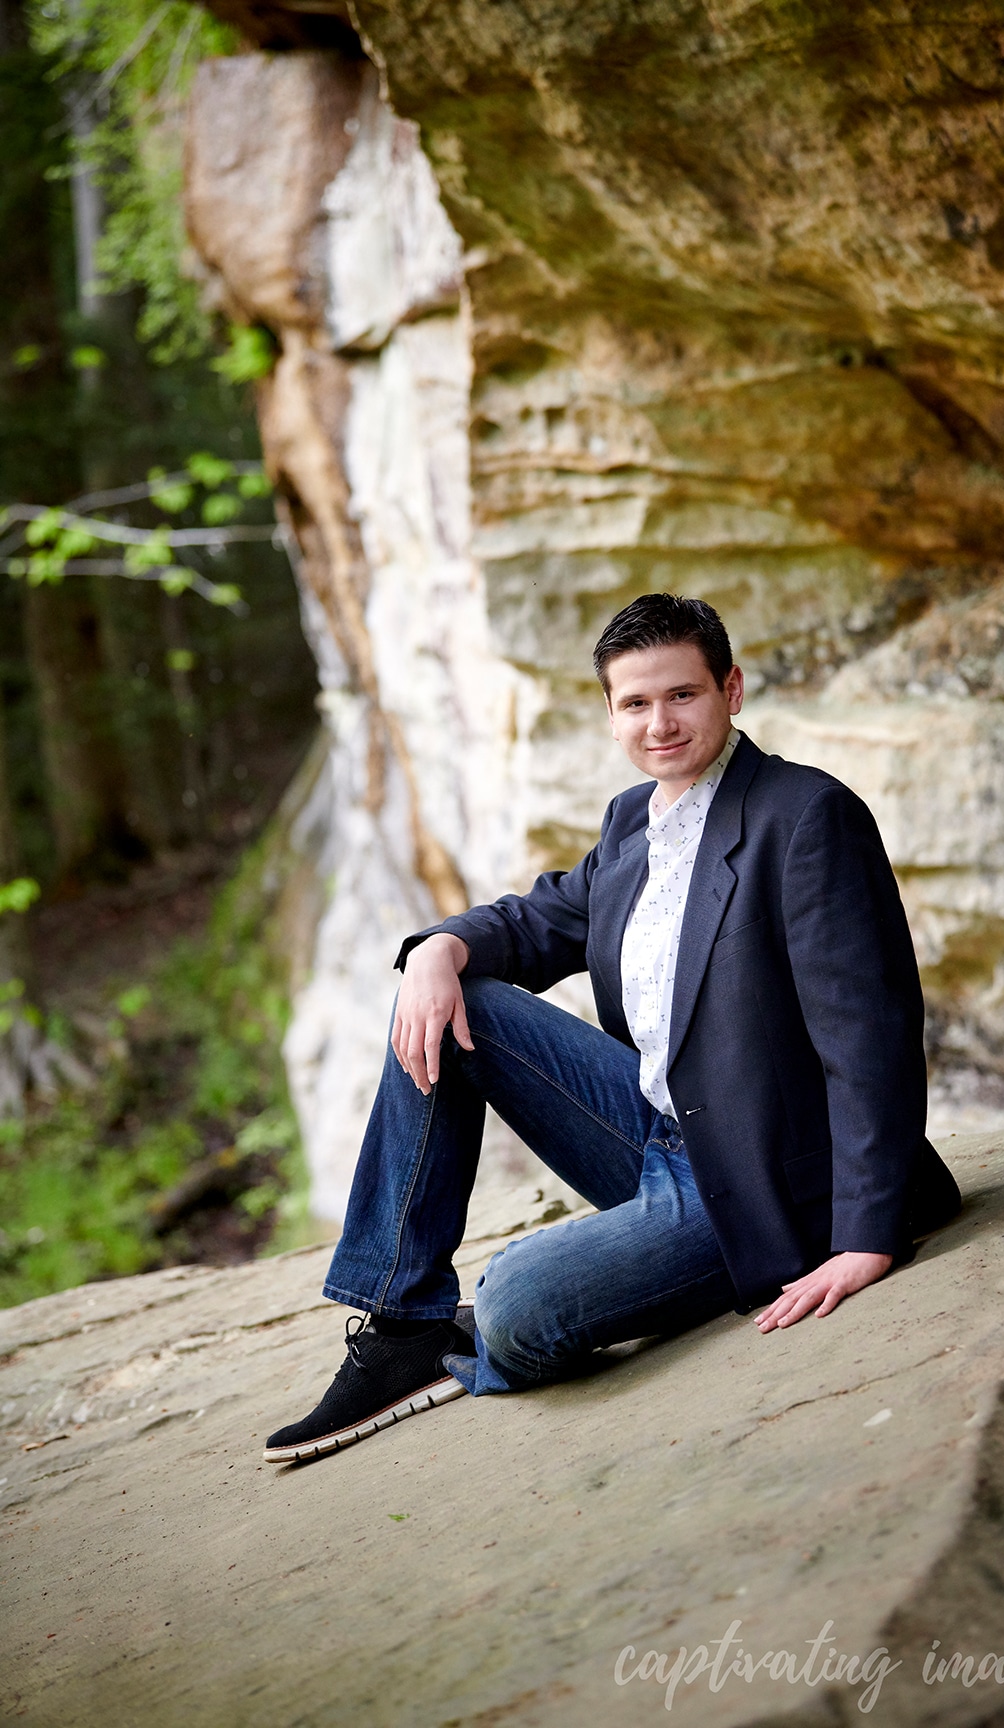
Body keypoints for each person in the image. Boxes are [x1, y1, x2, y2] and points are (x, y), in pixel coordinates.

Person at [264, 594, 961, 1463]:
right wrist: (437, 949)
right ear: (610, 712)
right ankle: (404, 1320)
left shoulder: (805, 817)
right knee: (452, 998)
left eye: (683, 695)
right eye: (635, 703)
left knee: (517, 1301)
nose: (660, 724)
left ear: (731, 690)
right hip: (657, 1134)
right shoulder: (635, 818)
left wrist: (866, 1238)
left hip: (762, 1183)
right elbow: (539, 920)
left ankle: (505, 1315)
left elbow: (871, 1039)